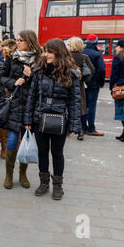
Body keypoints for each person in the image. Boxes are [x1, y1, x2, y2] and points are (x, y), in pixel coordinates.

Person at [24, 39, 81, 201]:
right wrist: (28, 119)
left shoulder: (71, 73)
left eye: (49, 51)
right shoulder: (39, 71)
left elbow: (75, 100)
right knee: (42, 152)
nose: (46, 54)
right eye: (45, 51)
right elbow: (32, 97)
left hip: (60, 120)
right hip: (39, 117)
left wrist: (74, 125)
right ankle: (44, 183)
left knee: (57, 153)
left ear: (59, 53)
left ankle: (58, 186)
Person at [0, 30, 42, 190]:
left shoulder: (39, 60)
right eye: (17, 39)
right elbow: (1, 78)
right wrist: (13, 82)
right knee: (12, 140)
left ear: (30, 41)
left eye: (21, 40)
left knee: (26, 140)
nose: (18, 42)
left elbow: (42, 84)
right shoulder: (12, 58)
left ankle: (23, 174)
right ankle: (9, 174)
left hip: (30, 105)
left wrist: (31, 75)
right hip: (15, 104)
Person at [68, 37, 95, 141]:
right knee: (77, 107)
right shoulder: (84, 57)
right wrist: (81, 76)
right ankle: (80, 132)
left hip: (66, 83)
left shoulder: (66, 56)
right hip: (79, 85)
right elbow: (92, 70)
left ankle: (68, 129)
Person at [81, 34, 106, 137]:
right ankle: (91, 128)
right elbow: (102, 69)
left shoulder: (81, 52)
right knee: (91, 106)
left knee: (83, 105)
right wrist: (101, 83)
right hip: (93, 84)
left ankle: (83, 128)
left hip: (82, 83)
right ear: (96, 43)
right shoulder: (97, 54)